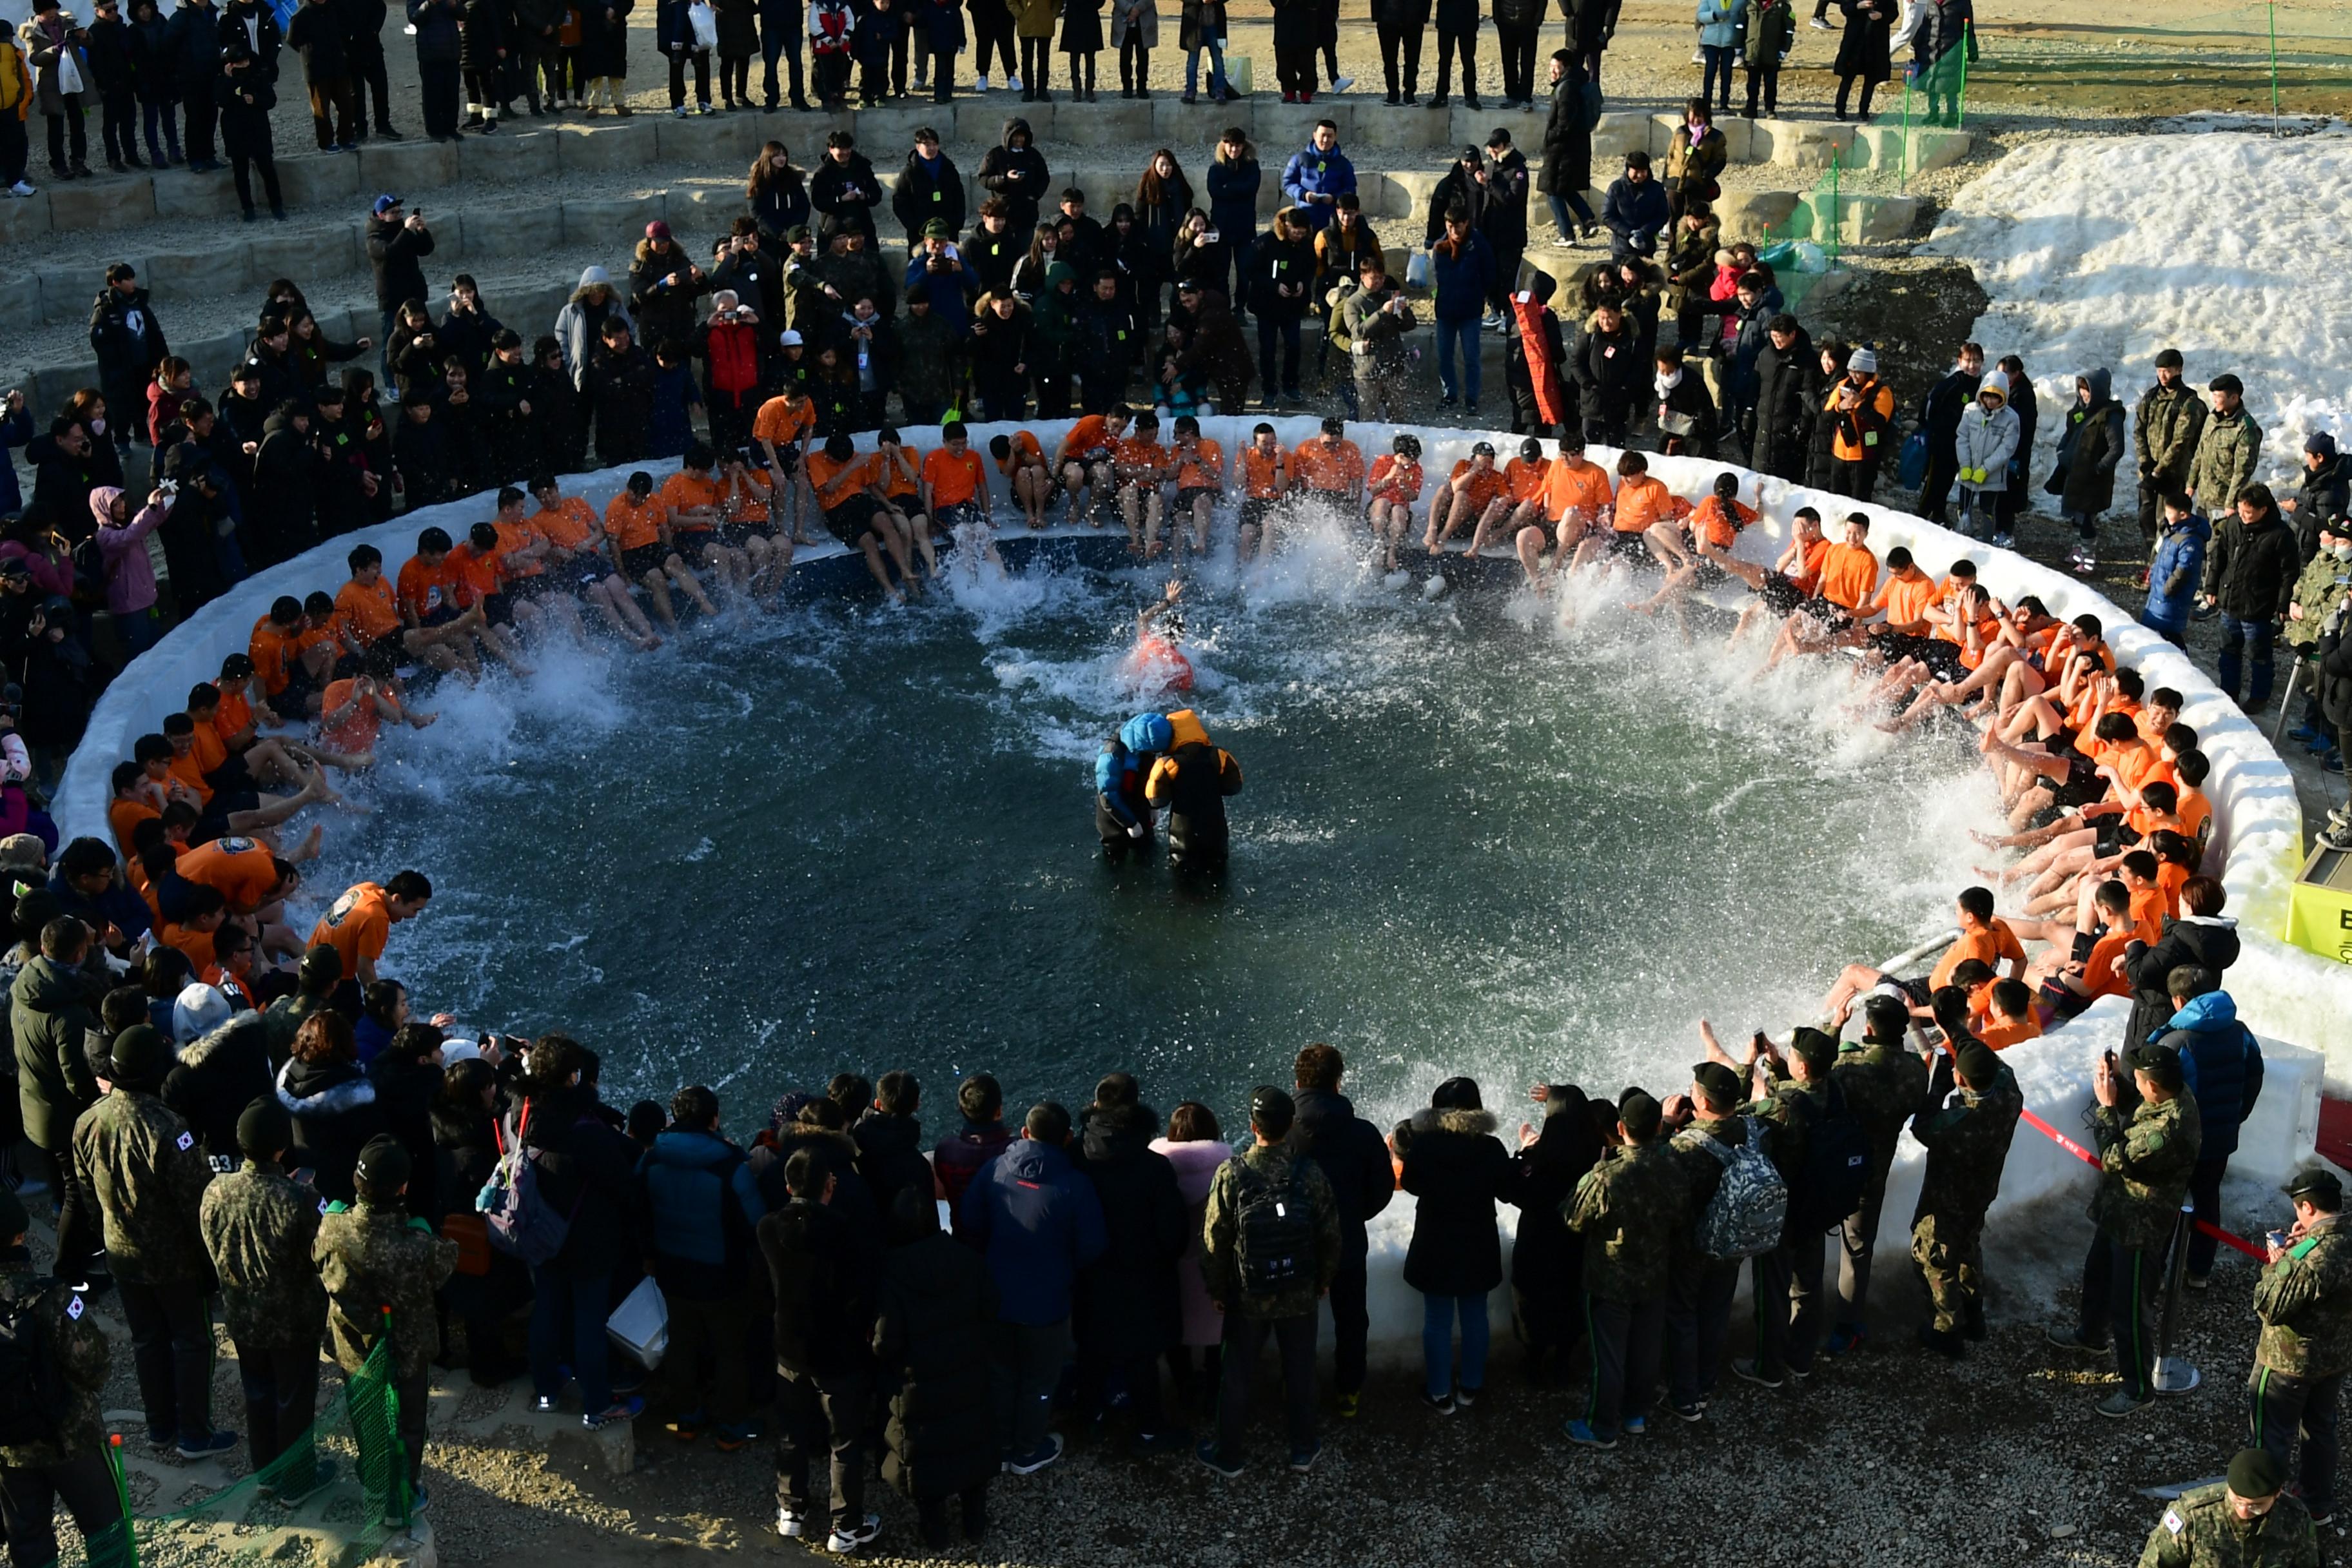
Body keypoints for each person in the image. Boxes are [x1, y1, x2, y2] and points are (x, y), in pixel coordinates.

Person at [75, 1023, 234, 1455]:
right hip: (174, 1261)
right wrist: (209, 1259)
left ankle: (161, 1427)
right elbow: (195, 1201)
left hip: (120, 1255)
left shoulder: (87, 1122)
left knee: (147, 1340)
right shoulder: (167, 1127)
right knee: (192, 1341)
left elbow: (88, 1196)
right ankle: (195, 1434)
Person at [2048, 1042, 2202, 1416]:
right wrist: (2122, 1080)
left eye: (2137, 1078)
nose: (2132, 1080)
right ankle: (2091, 1335)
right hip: (2119, 1211)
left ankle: (2137, 1389)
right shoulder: (2170, 1094)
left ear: (2153, 1086)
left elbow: (2114, 1158)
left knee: (2130, 1309)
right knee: (2097, 1274)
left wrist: (2105, 1107)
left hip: (2139, 1225)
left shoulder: (2167, 1131)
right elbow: (2141, 1104)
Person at [1196, 1086, 1340, 1477]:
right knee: (1301, 1369)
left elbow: (1215, 1240)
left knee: (1238, 1373)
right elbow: (1329, 1232)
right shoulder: (1308, 1173)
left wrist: (1218, 1289)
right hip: (1298, 1290)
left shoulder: (1232, 1173)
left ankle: (1229, 1454)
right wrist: (1323, 1279)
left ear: (1252, 1126)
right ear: (1291, 1126)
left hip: (1248, 1293)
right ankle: (1302, 1449)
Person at [313, 1135, 456, 1520]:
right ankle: (402, 1497)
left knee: (368, 1416)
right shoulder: (417, 1244)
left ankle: (375, 1485)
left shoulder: (331, 1227)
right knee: (408, 1421)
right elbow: (446, 1263)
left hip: (352, 1348)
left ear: (358, 1183)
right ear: (403, 1188)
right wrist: (424, 1229)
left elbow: (317, 1254)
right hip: (405, 1349)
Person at [959, 1100, 1103, 1475]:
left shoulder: (995, 1170)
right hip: (1047, 1301)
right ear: (1068, 1138)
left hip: (996, 1295)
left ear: (1025, 1133)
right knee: (1040, 1378)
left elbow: (970, 1222)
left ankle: (1002, 1443)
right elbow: (1092, 1246)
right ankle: (1026, 1450)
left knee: (1001, 1373)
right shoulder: (1076, 1186)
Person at [199, 1100, 330, 1498]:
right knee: (294, 1399)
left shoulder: (215, 1190)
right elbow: (319, 1256)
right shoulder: (300, 1199)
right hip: (293, 1320)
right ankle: (296, 1481)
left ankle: (268, 1473)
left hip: (242, 1315)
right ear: (281, 1147)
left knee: (257, 1392)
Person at [515, 1034, 645, 1430]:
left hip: (538, 1231)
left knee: (547, 1308)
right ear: (572, 1078)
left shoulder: (518, 1113)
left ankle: (546, 1392)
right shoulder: (585, 1129)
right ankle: (597, 1404)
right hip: (586, 1239)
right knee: (589, 1320)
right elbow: (622, 1184)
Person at [0, 1181, 130, 1568]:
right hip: (71, 1438)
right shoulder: (53, 1297)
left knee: (27, 1538)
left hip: (8, 1447)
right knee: (106, 1528)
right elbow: (95, 1364)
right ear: (20, 1235)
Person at [640, 1084, 765, 1449]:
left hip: (672, 1270)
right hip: (721, 1276)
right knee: (729, 1349)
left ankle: (687, 1418)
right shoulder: (729, 1166)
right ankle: (732, 1427)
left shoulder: (651, 1159)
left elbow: (640, 1212)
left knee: (682, 1343)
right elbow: (755, 1222)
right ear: (714, 1119)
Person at [872, 1186, 996, 1549]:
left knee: (928, 1460)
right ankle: (975, 1524)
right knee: (971, 1442)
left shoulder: (891, 1274)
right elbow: (992, 1307)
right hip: (968, 1371)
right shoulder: (967, 1258)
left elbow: (884, 1342)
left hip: (917, 1384)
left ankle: (936, 1534)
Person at [1069, 1074, 1186, 1451]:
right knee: (1140, 1357)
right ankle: (1150, 1429)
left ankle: (1088, 1418)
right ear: (1135, 1108)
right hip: (1142, 1276)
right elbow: (1172, 1235)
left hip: (1089, 1272)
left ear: (1095, 1104)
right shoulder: (1153, 1168)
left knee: (1091, 1348)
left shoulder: (1076, 1158)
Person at [1561, 1090, 1676, 1448]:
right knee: (1645, 1350)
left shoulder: (1606, 1176)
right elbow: (1682, 1212)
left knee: (1608, 1358)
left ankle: (1601, 1427)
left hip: (1610, 1281)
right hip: (1654, 1275)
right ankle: (1635, 1415)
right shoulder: (1674, 1164)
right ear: (1659, 1127)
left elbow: (1572, 1218)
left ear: (1621, 1128)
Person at [1393, 1076, 1513, 1414]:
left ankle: (1439, 1392)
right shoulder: (1490, 1147)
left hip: (1436, 1242)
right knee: (1476, 1316)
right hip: (1478, 1242)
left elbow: (1413, 1184)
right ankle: (1471, 1387)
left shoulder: (1425, 1146)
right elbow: (1505, 1188)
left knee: (1437, 1319)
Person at [1823, 994, 1927, 1357]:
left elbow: (1816, 1074)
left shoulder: (1849, 1067)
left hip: (1828, 1171)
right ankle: (1847, 1325)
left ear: (1867, 1029)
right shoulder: (1915, 1070)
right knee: (1857, 1251)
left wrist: (1834, 1027)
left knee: (1801, 1247)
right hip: (1872, 1175)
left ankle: (1794, 1325)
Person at [1907, 1040, 2022, 1358]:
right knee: (1968, 1249)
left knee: (1935, 1259)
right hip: (1980, 1195)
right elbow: (2000, 1067)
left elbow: (1922, 1127)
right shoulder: (2010, 1098)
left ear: (1960, 1079)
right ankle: (1975, 1317)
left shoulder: (1955, 1124)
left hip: (1945, 1205)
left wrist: (1937, 1089)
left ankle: (1946, 1331)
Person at [2152, 968, 2262, 1289]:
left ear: (2178, 1000)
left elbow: (2154, 1091)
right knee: (2207, 1201)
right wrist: (2237, 1116)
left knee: (2168, 1203)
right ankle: (2199, 1272)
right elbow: (2255, 1074)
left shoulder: (2176, 1040)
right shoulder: (2240, 1031)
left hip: (2181, 1142)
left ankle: (2156, 1271)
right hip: (2221, 1137)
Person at [2200, 484, 2301, 711]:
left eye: (2248, 512)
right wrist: (2211, 587)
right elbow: (2219, 557)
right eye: (2240, 510)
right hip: (2229, 601)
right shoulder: (2233, 524)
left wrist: (2283, 604)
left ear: (2263, 510)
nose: (2243, 516)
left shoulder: (2280, 535)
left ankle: (2259, 696)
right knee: (2228, 650)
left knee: (2259, 654)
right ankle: (2229, 691)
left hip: (2258, 607)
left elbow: (2289, 574)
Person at [2136, 1448, 2318, 1567]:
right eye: (2237, 1500)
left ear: (2277, 1494)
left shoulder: (2295, 1520)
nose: (2244, 1511)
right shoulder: (2192, 1515)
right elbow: (2156, 1563)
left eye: (2256, 1506)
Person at [1144, 707, 1241, 876]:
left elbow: (1157, 800)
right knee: (1219, 873)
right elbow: (1234, 788)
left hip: (1183, 833)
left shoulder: (1167, 763)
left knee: (1184, 877)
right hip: (1215, 828)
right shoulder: (1219, 755)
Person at [2053, 368, 2127, 574]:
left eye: (2088, 390)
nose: (2085, 394)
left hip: (2093, 480)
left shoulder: (2110, 417)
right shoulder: (2079, 411)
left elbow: (2116, 448)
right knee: (2076, 517)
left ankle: (2088, 558)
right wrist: (2061, 452)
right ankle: (2077, 552)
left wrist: (2099, 469)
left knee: (2086, 519)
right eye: (2082, 389)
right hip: (2075, 475)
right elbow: (2069, 435)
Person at [2134, 349, 2206, 558]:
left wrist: (2158, 471)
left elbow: (2180, 442)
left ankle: (2158, 565)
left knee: (2165, 522)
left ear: (2179, 370)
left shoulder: (2188, 402)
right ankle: (2152, 557)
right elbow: (2139, 429)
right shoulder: (2151, 397)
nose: (2163, 376)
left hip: (2172, 475)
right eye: (2159, 371)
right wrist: (2145, 463)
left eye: (2167, 371)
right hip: (2149, 474)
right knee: (2145, 517)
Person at [306, 870, 431, 987]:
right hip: (327, 980)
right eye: (415, 910)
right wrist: (380, 1003)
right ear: (397, 899)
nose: (414, 916)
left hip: (311, 958)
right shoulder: (377, 917)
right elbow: (365, 971)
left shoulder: (367, 887)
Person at [1429, 206, 1494, 415]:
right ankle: (1449, 394)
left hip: (1470, 312)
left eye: (1458, 227)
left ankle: (1472, 398)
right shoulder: (1441, 248)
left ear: (1466, 224)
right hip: (1446, 311)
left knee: (1471, 357)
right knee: (1444, 356)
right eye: (1450, 227)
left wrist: (1479, 295)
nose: (1455, 232)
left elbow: (1490, 275)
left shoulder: (1479, 246)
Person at [1916, 342, 1984, 526]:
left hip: (1961, 443)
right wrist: (1928, 428)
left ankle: (1939, 513)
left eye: (1977, 361)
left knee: (1947, 480)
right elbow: (1930, 404)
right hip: (1941, 441)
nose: (1972, 365)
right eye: (1968, 361)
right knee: (1934, 480)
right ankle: (1921, 514)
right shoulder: (1953, 383)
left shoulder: (1981, 385)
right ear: (1960, 361)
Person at [1951, 369, 2019, 543]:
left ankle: (1987, 540)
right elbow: (1962, 437)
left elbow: (2007, 448)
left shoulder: (2011, 418)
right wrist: (1965, 464)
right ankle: (1965, 534)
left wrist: (1985, 469)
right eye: (1987, 396)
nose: (1990, 401)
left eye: (1995, 397)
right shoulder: (1970, 410)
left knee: (1987, 509)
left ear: (2003, 397)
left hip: (1992, 475)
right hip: (1969, 469)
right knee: (1963, 506)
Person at [1538, 50, 1596, 244]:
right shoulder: (1574, 83)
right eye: (1551, 66)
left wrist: (1549, 137)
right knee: (1565, 187)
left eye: (1556, 67)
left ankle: (1566, 234)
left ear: (1566, 67)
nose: (1552, 70)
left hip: (1562, 149)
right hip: (1573, 148)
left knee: (1552, 190)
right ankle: (1588, 221)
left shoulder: (1567, 88)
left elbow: (1564, 122)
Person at [1832, 0, 1891, 120]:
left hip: (1876, 42)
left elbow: (1893, 13)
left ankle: (1864, 111)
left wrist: (1881, 16)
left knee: (1871, 78)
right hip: (1855, 42)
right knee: (1848, 77)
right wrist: (1858, 6)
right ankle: (1840, 110)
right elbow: (1845, 8)